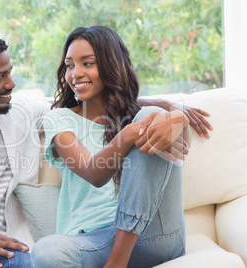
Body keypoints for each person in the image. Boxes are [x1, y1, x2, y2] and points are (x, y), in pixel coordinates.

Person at [0, 26, 210, 268]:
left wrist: (171, 109)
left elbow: (95, 99)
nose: (11, 83)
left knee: (34, 261)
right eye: (1, 77)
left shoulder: (18, 111)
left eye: (10, 72)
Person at [31, 25, 195, 268]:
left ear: (111, 65)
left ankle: (117, 262)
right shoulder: (60, 119)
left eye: (87, 63)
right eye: (69, 65)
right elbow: (93, 172)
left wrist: (179, 116)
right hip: (94, 242)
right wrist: (129, 134)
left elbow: (180, 148)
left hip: (156, 234)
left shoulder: (139, 114)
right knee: (45, 251)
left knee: (152, 116)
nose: (75, 73)